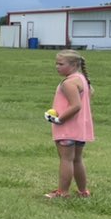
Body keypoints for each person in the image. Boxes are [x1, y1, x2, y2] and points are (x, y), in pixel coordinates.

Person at [44, 49, 95, 199]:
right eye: (56, 63)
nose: (57, 66)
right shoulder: (81, 79)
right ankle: (83, 191)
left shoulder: (68, 83)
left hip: (67, 127)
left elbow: (75, 106)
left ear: (73, 65)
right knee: (77, 159)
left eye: (60, 64)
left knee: (66, 159)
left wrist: (59, 119)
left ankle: (63, 192)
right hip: (80, 128)